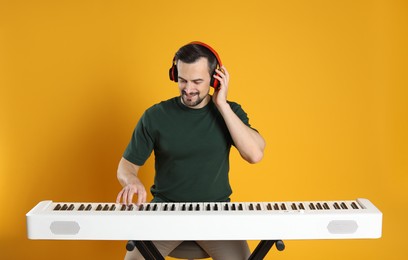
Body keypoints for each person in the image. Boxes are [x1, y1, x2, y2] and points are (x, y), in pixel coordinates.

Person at [116, 41, 266, 260]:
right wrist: (131, 180)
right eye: (182, 80)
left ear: (215, 79)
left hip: (216, 214)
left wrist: (222, 105)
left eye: (197, 81)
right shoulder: (155, 116)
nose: (188, 89)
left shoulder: (230, 112)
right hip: (165, 213)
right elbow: (126, 166)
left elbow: (254, 154)